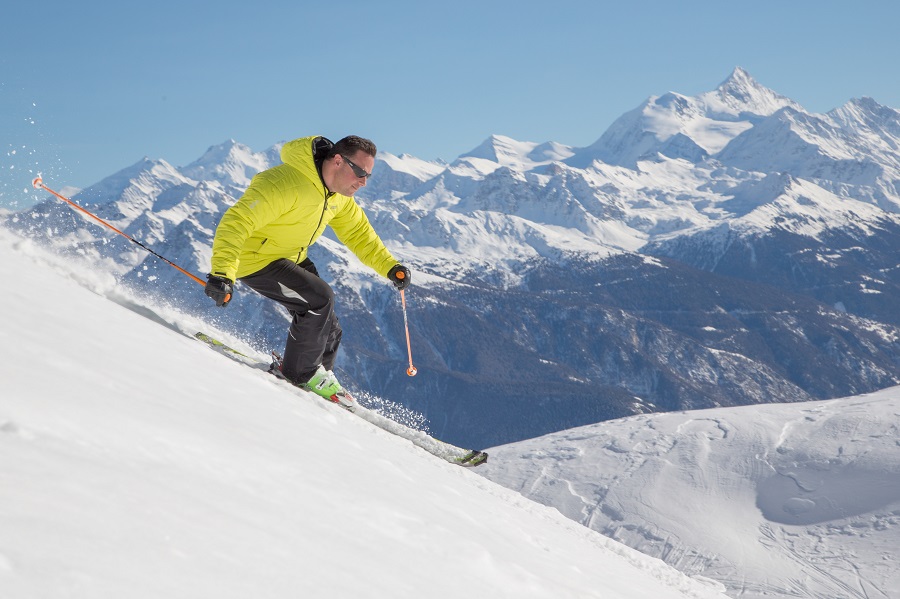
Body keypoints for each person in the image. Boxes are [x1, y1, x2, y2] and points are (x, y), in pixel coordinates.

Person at [203, 135, 410, 408]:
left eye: (368, 176)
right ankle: (300, 374)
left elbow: (359, 235)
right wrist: (222, 273)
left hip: (289, 256)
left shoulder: (338, 196)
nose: (363, 182)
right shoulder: (285, 183)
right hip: (255, 258)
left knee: (330, 328)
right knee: (319, 299)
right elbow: (236, 221)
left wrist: (390, 267)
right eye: (360, 173)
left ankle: (317, 378)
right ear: (338, 161)